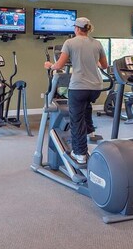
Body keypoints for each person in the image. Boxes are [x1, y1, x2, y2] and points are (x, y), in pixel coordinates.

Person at [44, 17, 108, 165]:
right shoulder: (97, 43)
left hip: (79, 86)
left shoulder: (70, 43)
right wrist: (92, 62)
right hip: (96, 88)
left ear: (77, 29)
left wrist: (49, 65)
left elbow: (59, 65)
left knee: (76, 120)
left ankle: (80, 154)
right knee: (86, 106)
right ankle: (90, 131)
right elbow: (104, 65)